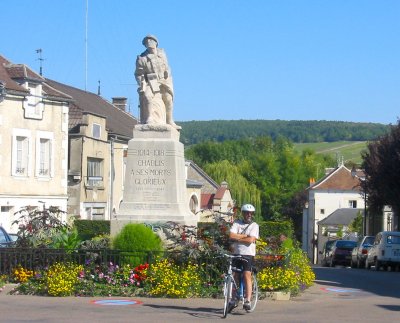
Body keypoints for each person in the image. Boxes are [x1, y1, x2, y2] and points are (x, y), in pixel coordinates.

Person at [134, 35, 180, 129]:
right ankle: (150, 117)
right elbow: (138, 74)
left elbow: (167, 66)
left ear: (156, 42)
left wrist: (168, 71)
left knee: (168, 99)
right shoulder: (142, 58)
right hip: (151, 80)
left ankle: (170, 120)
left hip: (164, 80)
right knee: (147, 96)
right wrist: (142, 82)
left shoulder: (162, 53)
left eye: (151, 40)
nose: (149, 42)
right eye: (146, 41)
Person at [229, 203, 259, 311]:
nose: (249, 215)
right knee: (235, 275)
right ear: (243, 213)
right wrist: (245, 236)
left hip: (248, 254)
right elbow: (231, 235)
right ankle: (234, 299)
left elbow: (251, 240)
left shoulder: (254, 225)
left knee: (247, 275)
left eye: (250, 213)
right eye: (247, 213)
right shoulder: (237, 223)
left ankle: (247, 300)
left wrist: (238, 238)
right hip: (237, 253)